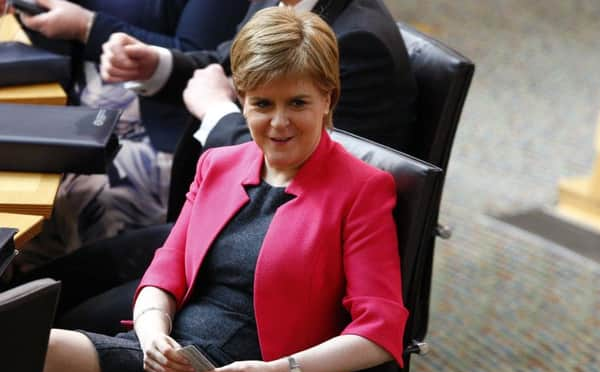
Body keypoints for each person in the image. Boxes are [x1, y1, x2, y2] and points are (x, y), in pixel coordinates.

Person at [36, 8, 407, 372]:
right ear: (242, 102)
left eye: (297, 102)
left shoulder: (362, 189)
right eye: (263, 104)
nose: (279, 122)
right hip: (180, 364)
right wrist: (152, 332)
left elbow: (380, 329)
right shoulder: (219, 163)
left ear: (328, 99)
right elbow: (165, 271)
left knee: (42, 353)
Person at [100, 0, 417, 219]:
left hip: (276, 256)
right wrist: (157, 66)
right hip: (222, 214)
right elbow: (228, 64)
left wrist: (217, 114)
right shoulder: (283, 2)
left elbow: (306, 179)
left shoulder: (359, 44)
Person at [11, 0, 248, 272]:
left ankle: (51, 297)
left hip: (163, 133)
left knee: (76, 196)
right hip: (78, 110)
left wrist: (87, 27)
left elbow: (212, 64)